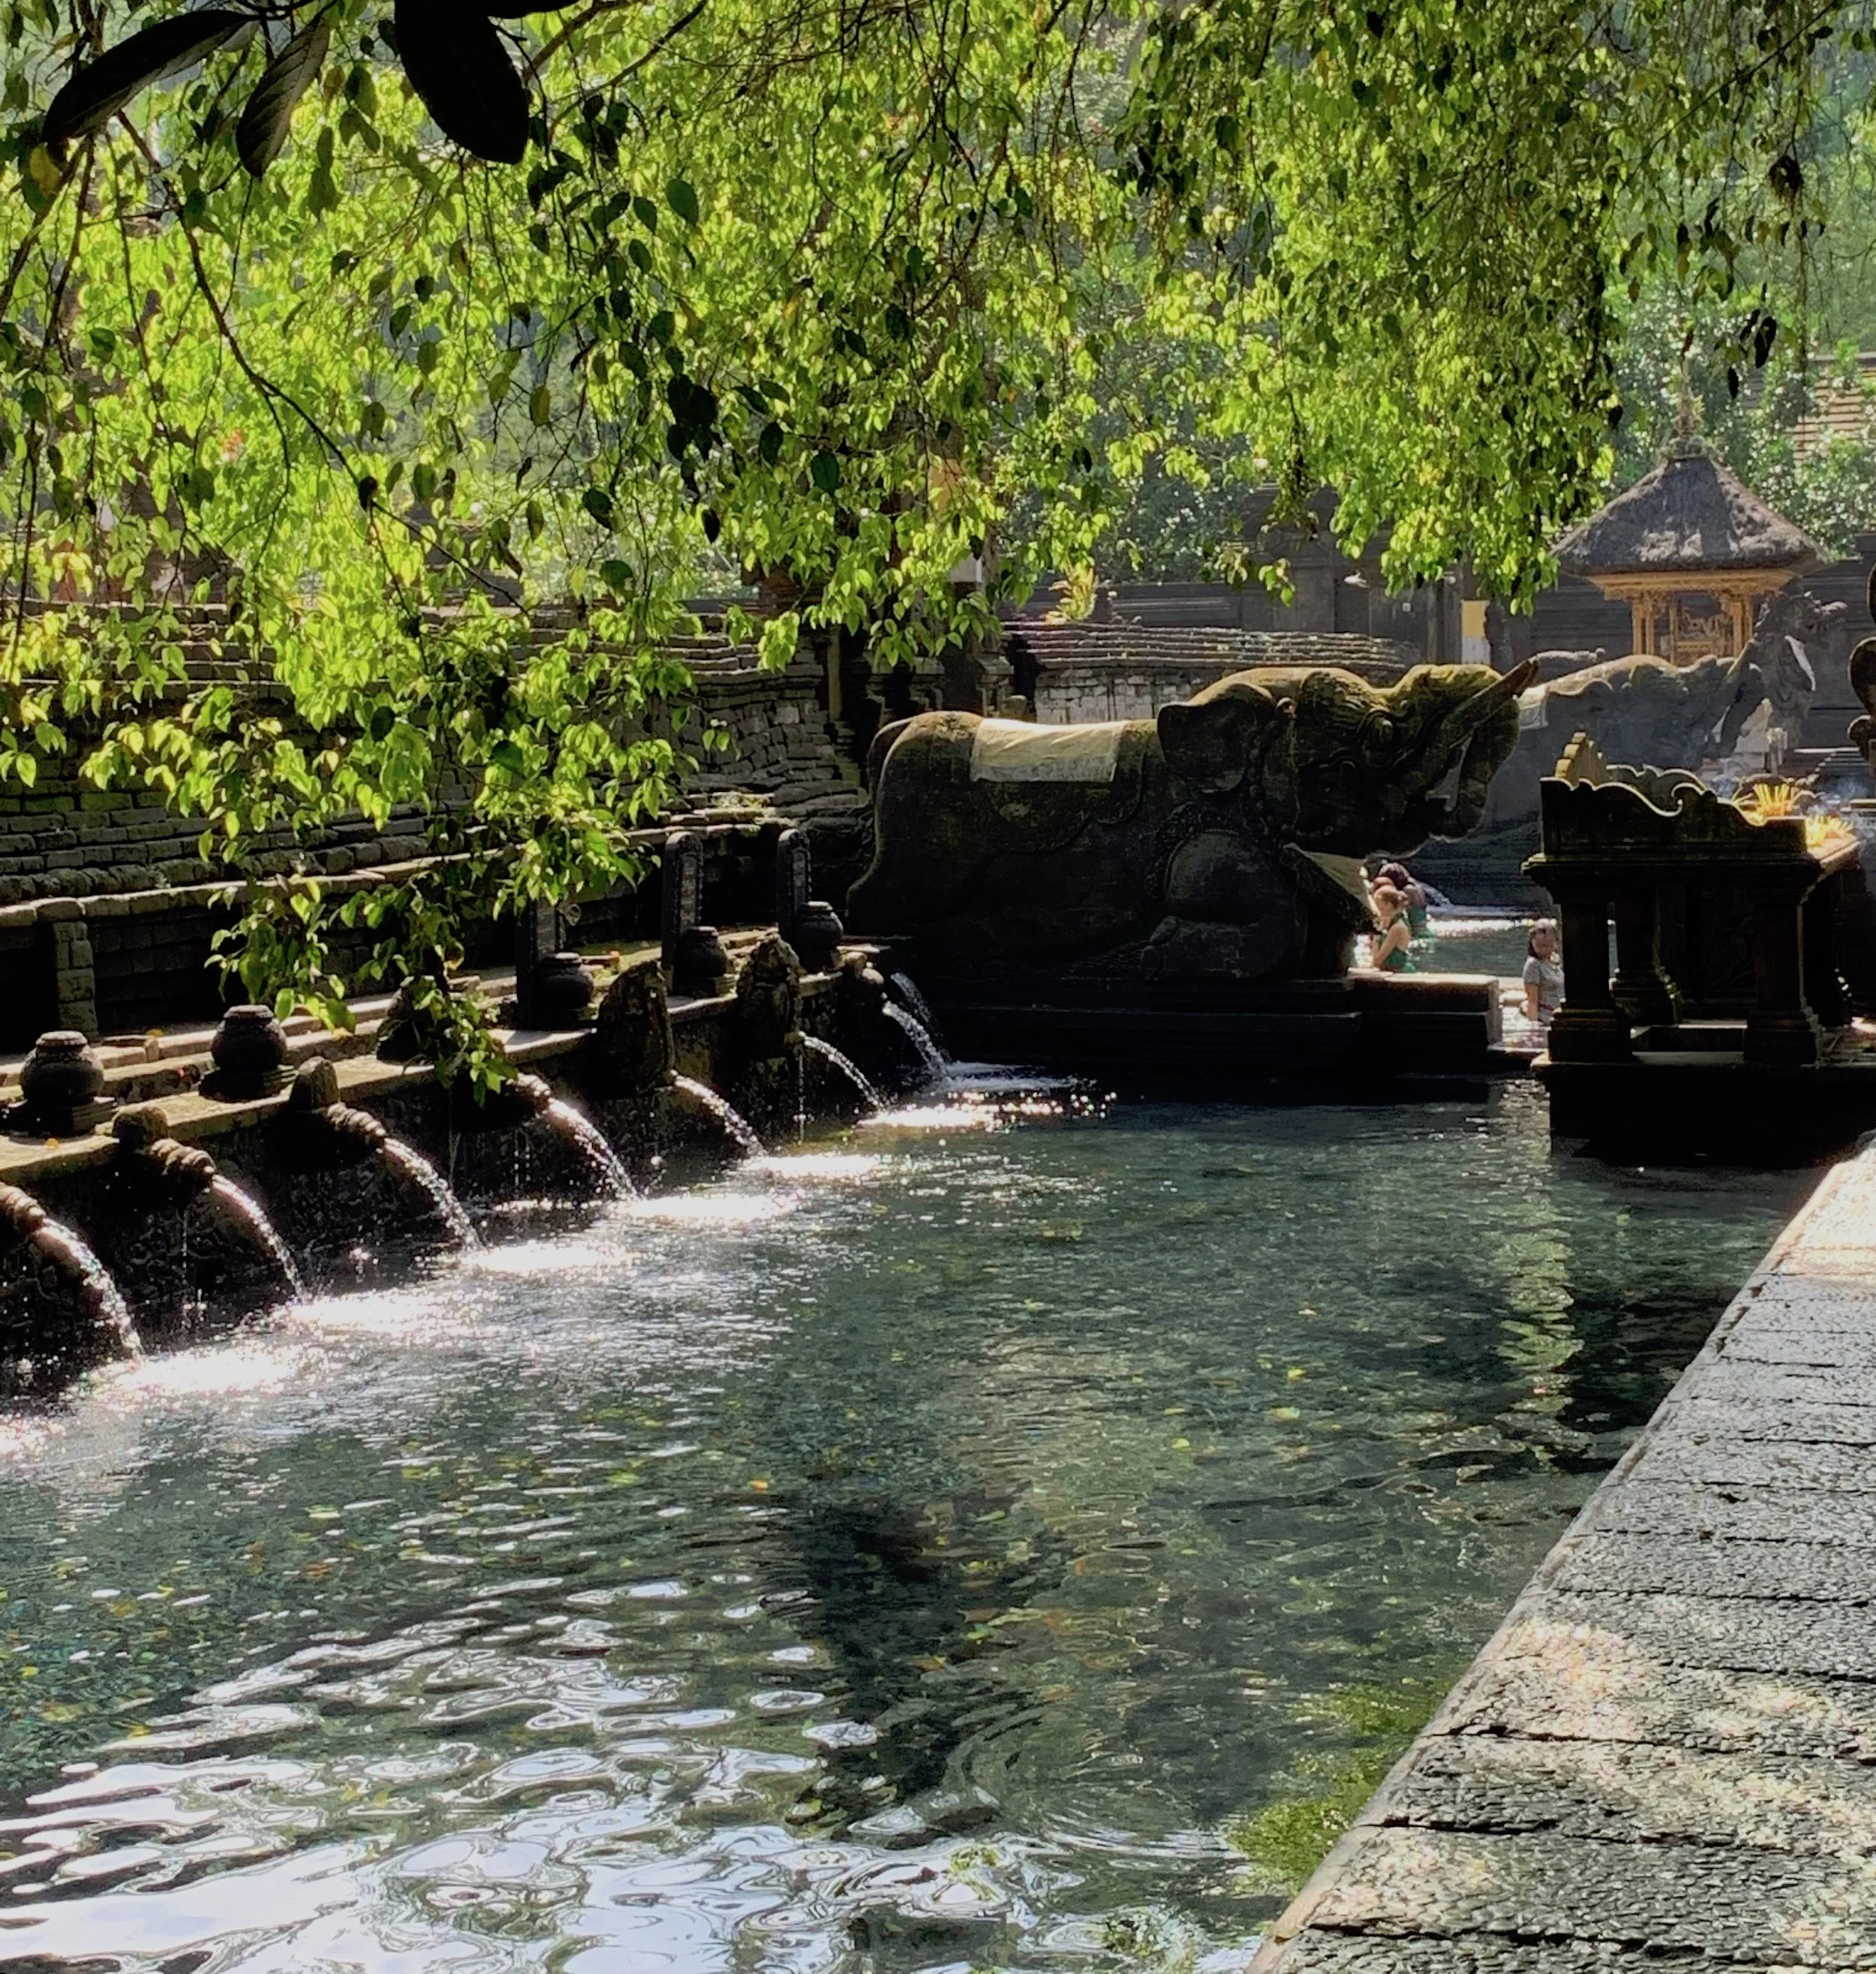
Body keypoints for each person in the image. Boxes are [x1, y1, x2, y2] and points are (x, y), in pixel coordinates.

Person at [1522, 920, 1563, 1026]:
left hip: (1559, 1015)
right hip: (1546, 1019)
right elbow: (1532, 1002)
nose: (1543, 950)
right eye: (1540, 946)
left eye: (1547, 946)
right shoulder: (1533, 965)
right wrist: (1534, 1028)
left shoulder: (1555, 960)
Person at [1377, 861, 1430, 939]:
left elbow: (1399, 915)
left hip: (1414, 933)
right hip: (1423, 931)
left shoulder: (1408, 891)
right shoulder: (1416, 888)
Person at [1369, 882, 1415, 971]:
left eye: (1378, 904)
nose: (1375, 908)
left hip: (1398, 975)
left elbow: (1377, 962)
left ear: (1389, 905)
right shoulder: (1394, 921)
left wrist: (1376, 937)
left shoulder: (1397, 928)